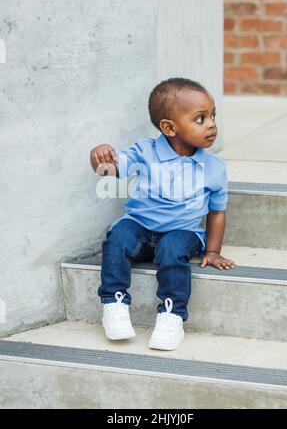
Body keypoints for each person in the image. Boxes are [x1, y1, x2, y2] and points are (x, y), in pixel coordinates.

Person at [90, 77, 236, 351]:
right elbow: (109, 170)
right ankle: (114, 302)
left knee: (172, 248)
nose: (212, 124)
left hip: (183, 232)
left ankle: (172, 315)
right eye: (200, 119)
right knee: (118, 236)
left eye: (212, 115)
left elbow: (217, 211)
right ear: (169, 127)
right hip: (140, 228)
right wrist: (99, 156)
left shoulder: (214, 167)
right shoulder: (145, 151)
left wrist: (213, 251)